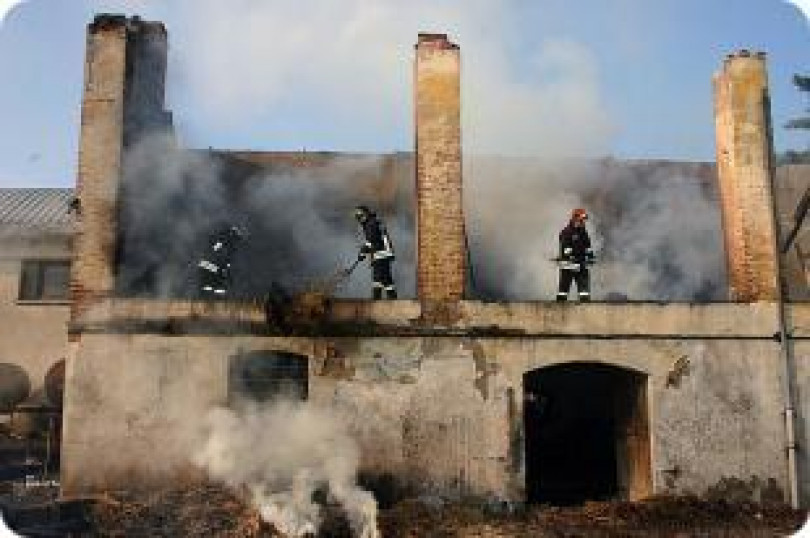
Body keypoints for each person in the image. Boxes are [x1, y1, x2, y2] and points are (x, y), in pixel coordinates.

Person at [354, 205, 397, 299]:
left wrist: (362, 252)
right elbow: (373, 241)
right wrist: (365, 252)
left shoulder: (371, 223)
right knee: (379, 278)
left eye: (360, 216)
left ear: (365, 214)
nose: (359, 219)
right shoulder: (373, 222)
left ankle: (387, 300)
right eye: (358, 217)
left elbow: (371, 240)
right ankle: (379, 299)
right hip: (381, 253)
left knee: (383, 277)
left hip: (382, 254)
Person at [556, 208, 594, 302]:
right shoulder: (567, 232)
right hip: (568, 265)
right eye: (581, 220)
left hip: (581, 265)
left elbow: (587, 246)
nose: (583, 222)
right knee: (563, 291)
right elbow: (565, 248)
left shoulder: (583, 232)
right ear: (575, 218)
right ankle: (559, 309)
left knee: (584, 291)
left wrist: (590, 256)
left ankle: (585, 308)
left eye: (584, 220)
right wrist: (570, 257)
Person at [198, 224, 245, 297]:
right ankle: (212, 285)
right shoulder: (223, 242)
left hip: (215, 263)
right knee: (216, 270)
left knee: (220, 271)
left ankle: (216, 286)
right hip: (211, 262)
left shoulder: (230, 246)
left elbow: (227, 256)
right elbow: (213, 252)